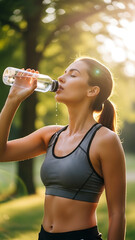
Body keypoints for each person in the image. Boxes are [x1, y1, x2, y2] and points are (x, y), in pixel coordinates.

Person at [0, 57, 126, 240]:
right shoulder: (51, 135)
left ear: (92, 90)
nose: (61, 78)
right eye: (64, 72)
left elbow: (117, 214)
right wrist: (13, 99)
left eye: (73, 75)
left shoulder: (105, 140)